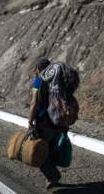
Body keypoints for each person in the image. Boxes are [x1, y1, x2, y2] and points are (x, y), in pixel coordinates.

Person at [28, 58, 65, 190]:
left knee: (38, 151)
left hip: (44, 122)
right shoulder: (58, 81)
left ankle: (52, 177)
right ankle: (52, 177)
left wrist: (30, 120)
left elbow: (34, 103)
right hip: (58, 122)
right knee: (51, 149)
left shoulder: (39, 81)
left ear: (38, 70)